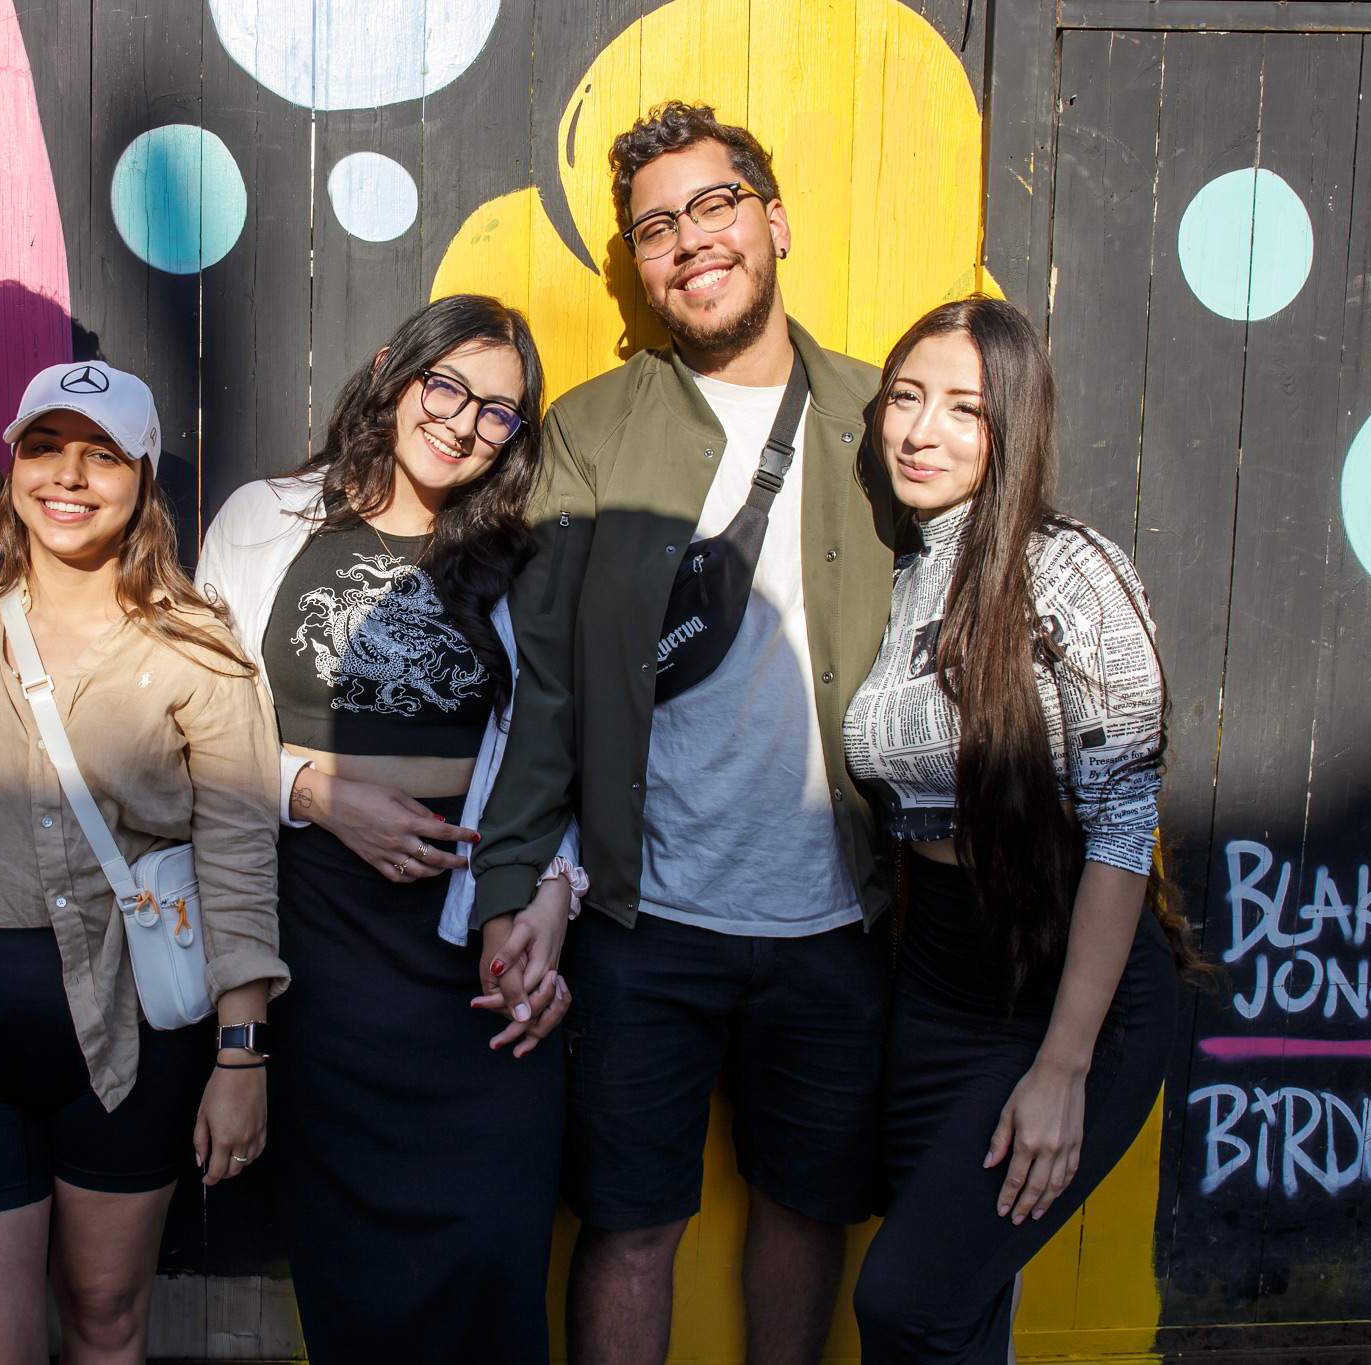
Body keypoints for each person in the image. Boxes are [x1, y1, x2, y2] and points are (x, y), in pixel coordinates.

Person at [471, 102, 901, 1365]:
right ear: (639, 266)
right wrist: (515, 878)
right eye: (655, 227)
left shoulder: (882, 419)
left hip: (841, 918)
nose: (689, 240)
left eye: (714, 205)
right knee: (626, 1223)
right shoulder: (593, 428)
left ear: (773, 221)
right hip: (639, 917)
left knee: (804, 1209)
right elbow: (544, 684)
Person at [194, 294, 580, 1365]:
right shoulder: (265, 519)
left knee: (494, 1269)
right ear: (390, 373)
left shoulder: (521, 555)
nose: (461, 424)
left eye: (496, 411)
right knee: (353, 1283)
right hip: (319, 947)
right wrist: (317, 793)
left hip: (476, 950)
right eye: (444, 386)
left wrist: (551, 889)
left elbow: (558, 751)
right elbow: (193, 730)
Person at [0, 361, 287, 1365]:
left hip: (134, 1045)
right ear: (13, 466)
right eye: (44, 448)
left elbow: (239, 860)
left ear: (141, 478)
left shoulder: (198, 649)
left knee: (107, 1321)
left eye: (100, 455)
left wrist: (241, 1058)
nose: (67, 476)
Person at [844, 297, 1190, 1363]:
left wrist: (1063, 1064)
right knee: (959, 1312)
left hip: (1070, 991)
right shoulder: (900, 567)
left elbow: (1122, 824)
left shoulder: (1071, 570)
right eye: (904, 398)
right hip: (939, 984)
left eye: (964, 409)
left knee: (906, 1304)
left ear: (1015, 427)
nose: (920, 432)